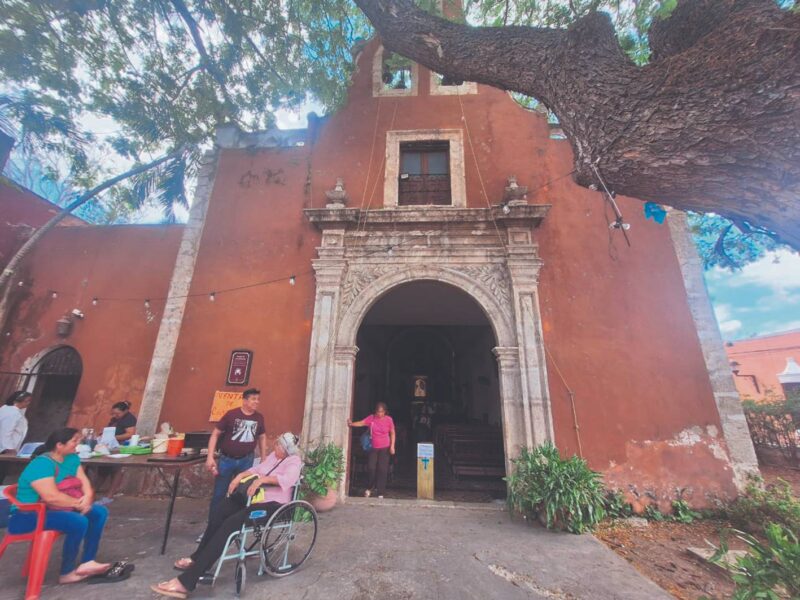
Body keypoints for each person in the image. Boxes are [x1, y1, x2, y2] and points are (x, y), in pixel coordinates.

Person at [151, 432, 302, 598]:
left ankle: (186, 582)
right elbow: (256, 469)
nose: (275, 447)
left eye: (279, 445)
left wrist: (262, 480)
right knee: (220, 511)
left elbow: (288, 479)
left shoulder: (294, 461)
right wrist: (240, 476)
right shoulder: (274, 456)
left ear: (288, 449)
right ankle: (198, 558)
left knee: (231, 524)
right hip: (251, 500)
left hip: (273, 507)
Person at [8, 427, 111, 584]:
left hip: (57, 508)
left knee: (99, 513)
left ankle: (88, 561)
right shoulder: (42, 464)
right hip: (28, 516)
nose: (78, 444)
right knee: (78, 521)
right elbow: (51, 497)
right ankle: (66, 572)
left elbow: (84, 482)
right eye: (74, 441)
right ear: (59, 445)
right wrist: (79, 504)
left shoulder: (71, 458)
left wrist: (88, 498)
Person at [204, 387, 268, 518]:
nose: (257, 402)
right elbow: (215, 434)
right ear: (244, 401)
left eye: (258, 399)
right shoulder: (231, 415)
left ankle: (236, 526)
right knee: (220, 494)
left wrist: (263, 457)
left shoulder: (259, 418)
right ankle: (213, 525)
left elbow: (262, 437)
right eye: (253, 399)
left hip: (246, 460)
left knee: (242, 493)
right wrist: (209, 457)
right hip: (227, 460)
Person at [348, 402, 395, 498]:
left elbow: (392, 433)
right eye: (378, 412)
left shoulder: (389, 420)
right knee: (371, 467)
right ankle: (370, 487)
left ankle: (380, 492)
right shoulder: (372, 418)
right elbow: (362, 423)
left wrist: (392, 446)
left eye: (382, 412)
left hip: (385, 447)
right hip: (373, 447)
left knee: (382, 469)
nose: (380, 414)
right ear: (375, 411)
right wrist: (352, 424)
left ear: (385, 412)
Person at [95, 400, 137, 505]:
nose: (115, 415)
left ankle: (109, 495)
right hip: (110, 447)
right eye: (113, 413)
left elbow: (130, 434)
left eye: (117, 414)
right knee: (103, 469)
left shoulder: (129, 419)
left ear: (125, 411)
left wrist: (113, 437)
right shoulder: (115, 419)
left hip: (120, 448)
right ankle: (92, 492)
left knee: (115, 470)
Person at [0, 390, 32, 483]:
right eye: (27, 401)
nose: (28, 403)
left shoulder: (5, 409)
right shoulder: (14, 414)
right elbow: (6, 432)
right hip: (4, 450)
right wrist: (10, 448)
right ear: (19, 400)